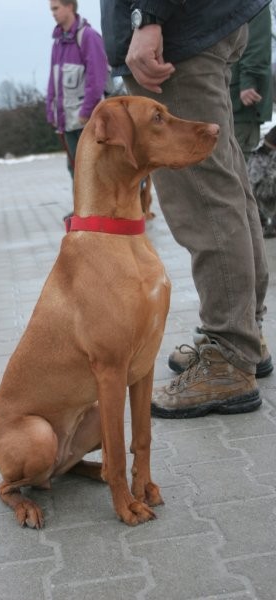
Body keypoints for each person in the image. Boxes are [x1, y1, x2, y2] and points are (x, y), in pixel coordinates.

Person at [100, 0, 273, 418]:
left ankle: (229, 359)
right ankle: (243, 335)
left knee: (203, 198)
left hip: (177, 33)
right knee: (224, 182)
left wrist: (149, 16)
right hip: (199, 24)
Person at [46, 0, 109, 217]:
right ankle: (84, 210)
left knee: (95, 166)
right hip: (66, 118)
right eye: (51, 9)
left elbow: (97, 76)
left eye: (56, 8)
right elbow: (53, 79)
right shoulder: (57, 42)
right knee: (75, 166)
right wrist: (51, 109)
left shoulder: (88, 36)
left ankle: (103, 209)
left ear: (70, 7)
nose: (52, 13)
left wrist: (87, 111)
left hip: (86, 119)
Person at [230, 5, 273, 160]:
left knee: (235, 164)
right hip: (225, 96)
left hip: (240, 102)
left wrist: (249, 81)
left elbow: (257, 43)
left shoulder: (254, 3)